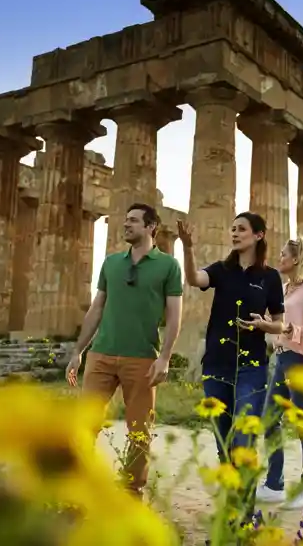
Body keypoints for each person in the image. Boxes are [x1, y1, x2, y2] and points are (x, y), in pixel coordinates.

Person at [66, 202, 183, 497]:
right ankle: (78, 483)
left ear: (151, 227)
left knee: (140, 431)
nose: (126, 224)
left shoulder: (168, 266)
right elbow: (97, 307)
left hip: (142, 358)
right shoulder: (111, 263)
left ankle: (132, 490)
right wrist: (78, 350)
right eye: (125, 219)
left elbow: (174, 316)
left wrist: (165, 357)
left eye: (133, 220)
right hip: (101, 354)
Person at [177, 212, 285, 460]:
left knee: (244, 434)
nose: (234, 233)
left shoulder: (270, 277)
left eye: (241, 229)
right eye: (233, 228)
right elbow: (194, 279)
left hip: (252, 366)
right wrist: (188, 247)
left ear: (259, 235)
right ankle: (232, 491)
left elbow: (280, 324)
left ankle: (244, 496)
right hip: (217, 364)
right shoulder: (221, 270)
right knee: (223, 440)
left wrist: (262, 325)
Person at [255, 236, 303, 509]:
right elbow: (276, 323)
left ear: (296, 259)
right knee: (269, 419)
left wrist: (291, 331)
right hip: (281, 359)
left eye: (284, 254)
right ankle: (274, 483)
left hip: (301, 360)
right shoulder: (283, 288)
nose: (279, 258)